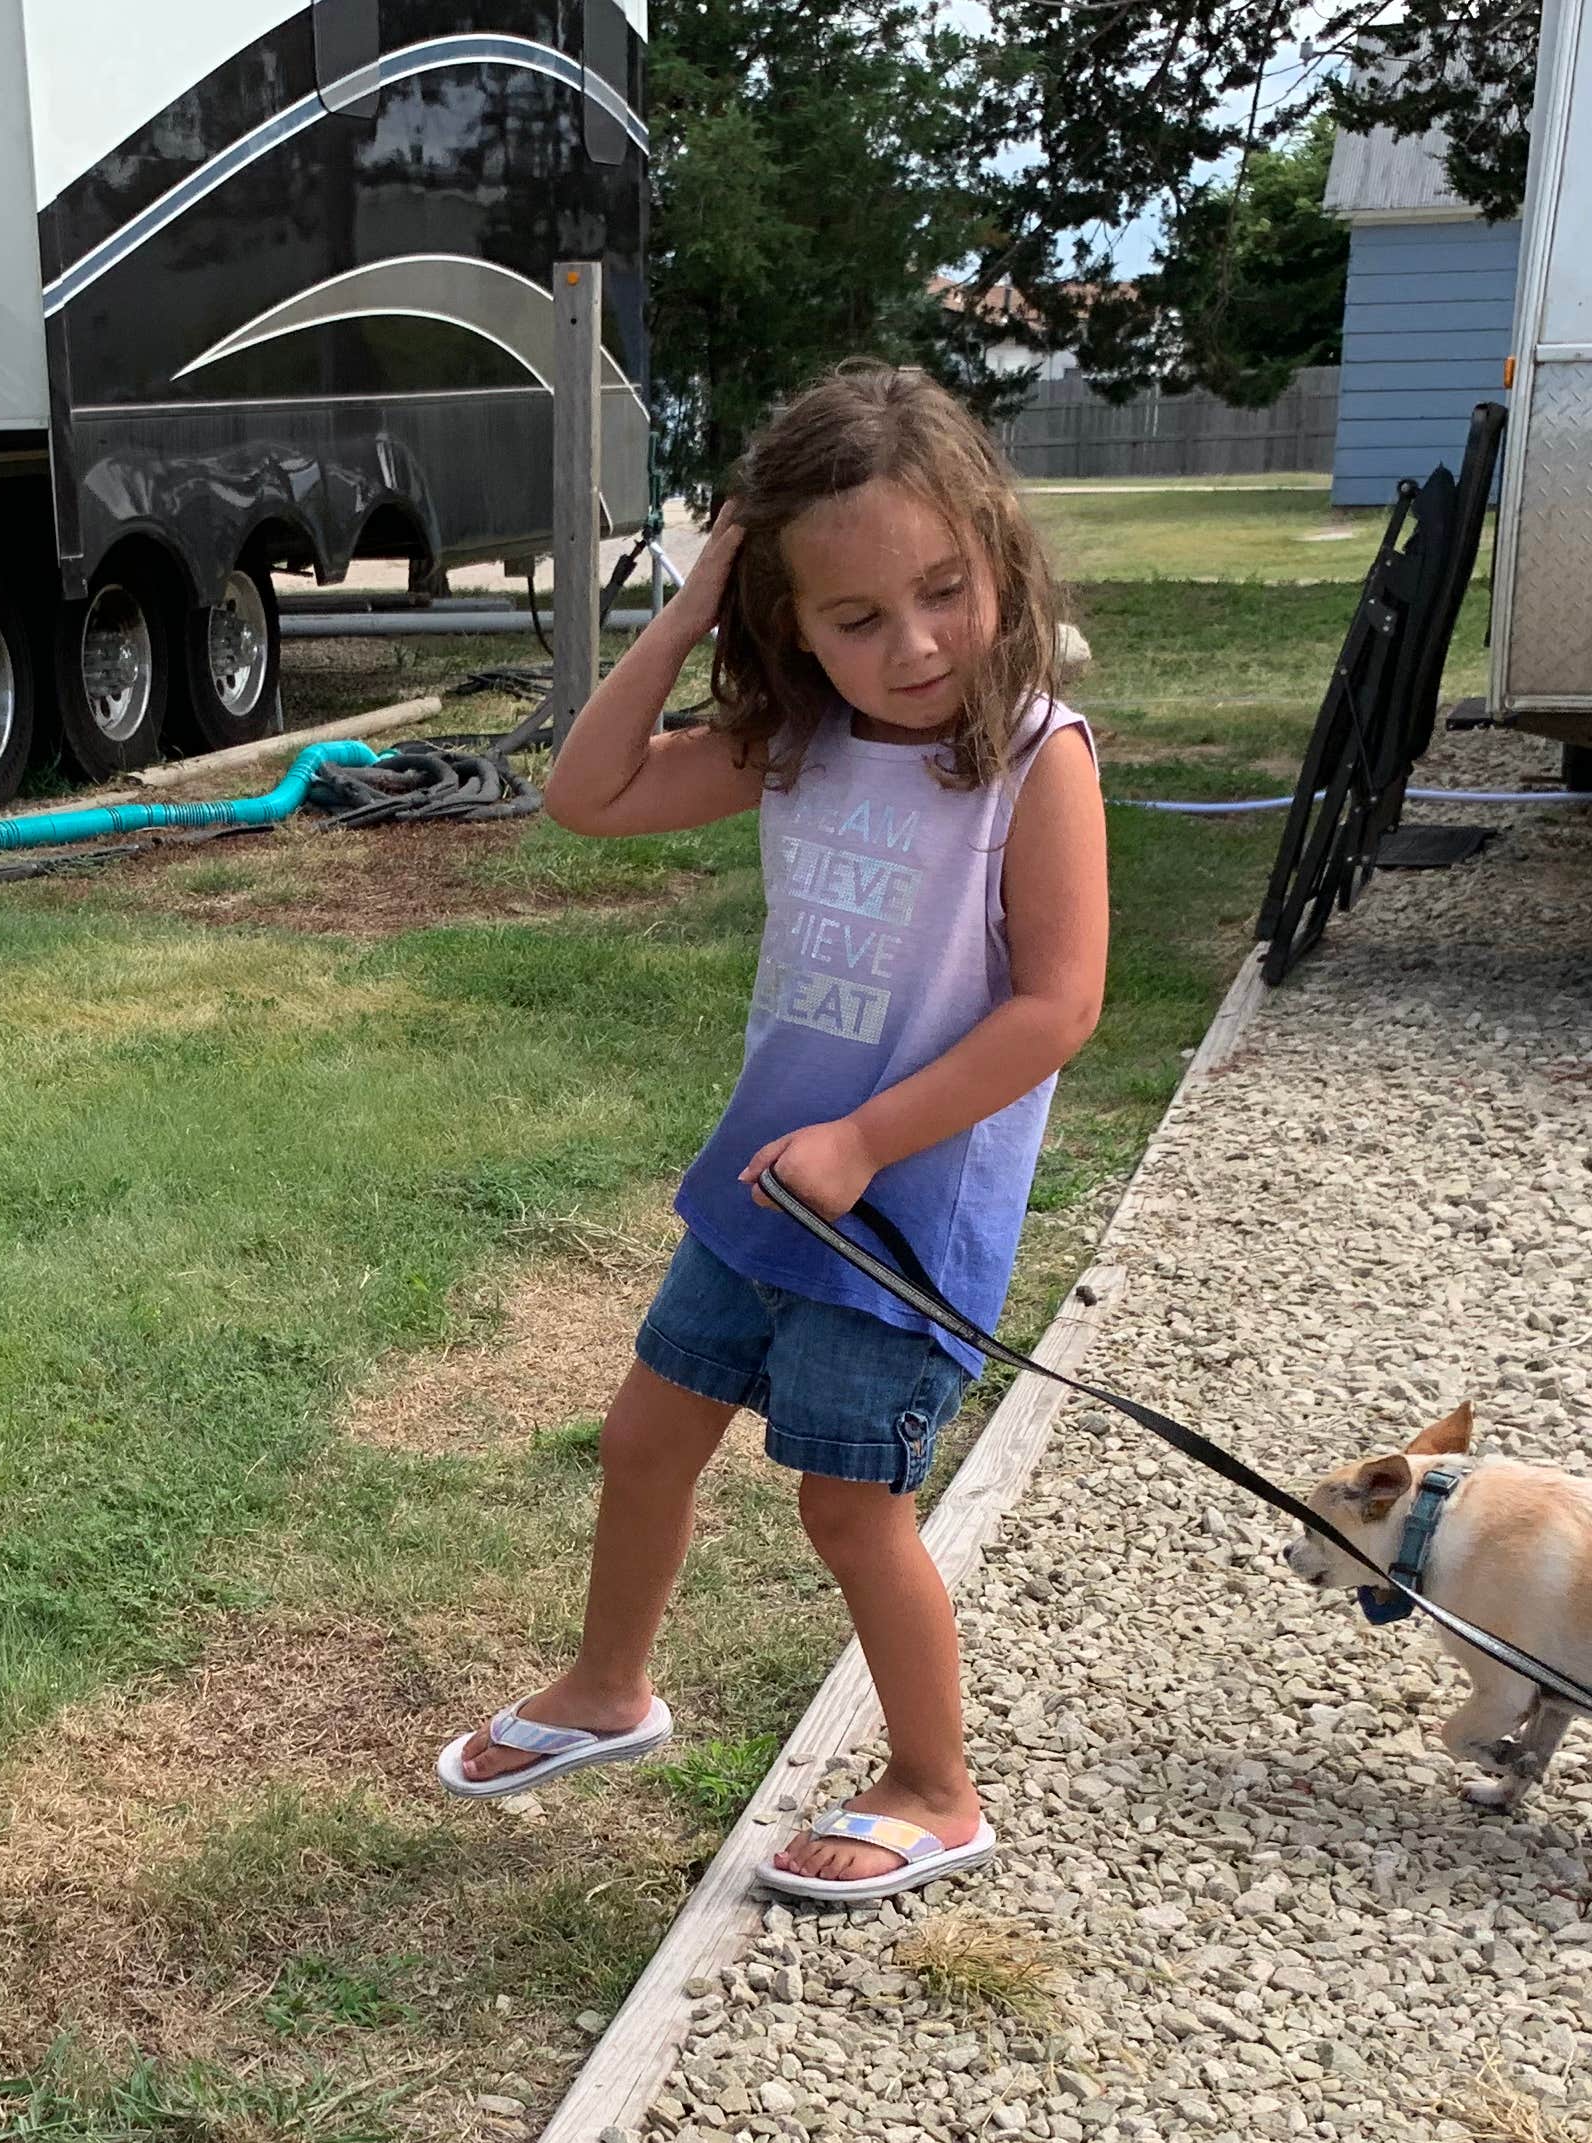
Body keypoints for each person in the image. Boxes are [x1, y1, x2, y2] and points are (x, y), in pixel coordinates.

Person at [438, 363, 1107, 1899]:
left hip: (894, 1221)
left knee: (847, 1506)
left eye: (945, 592)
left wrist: (869, 1139)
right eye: (855, 616)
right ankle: (610, 1692)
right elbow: (588, 797)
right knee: (644, 1440)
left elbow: (1057, 1008)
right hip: (761, 1188)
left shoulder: (1033, 758)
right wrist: (680, 622)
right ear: (787, 621)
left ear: (998, 560)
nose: (915, 643)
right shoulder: (795, 736)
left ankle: (939, 1786)